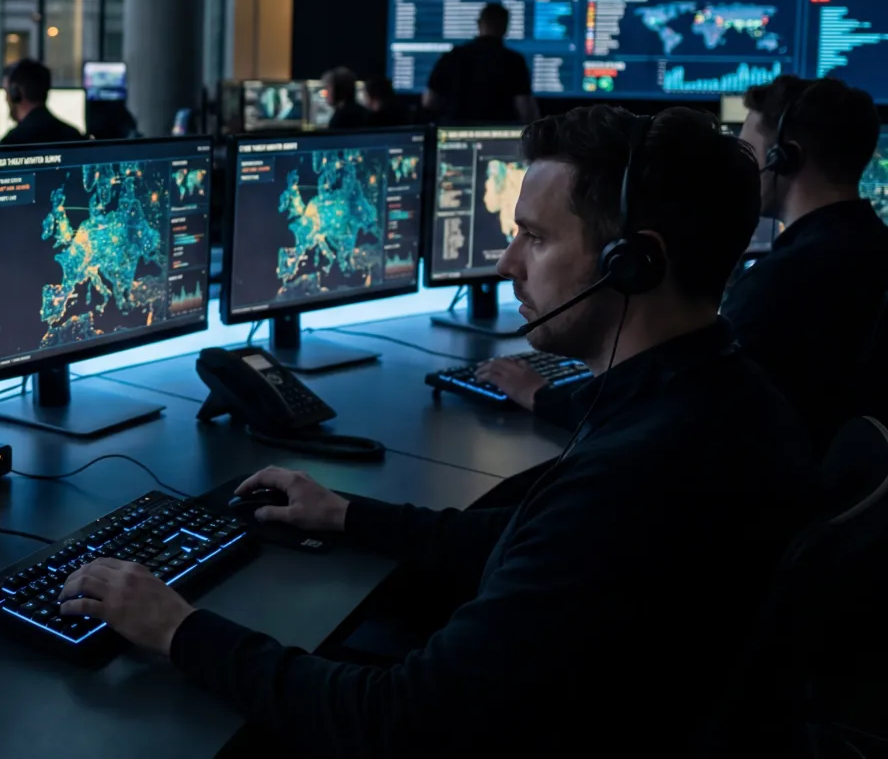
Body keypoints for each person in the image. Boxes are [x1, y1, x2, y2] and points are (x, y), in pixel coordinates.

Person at [56, 106, 813, 757]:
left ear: (632, 263)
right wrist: (349, 513)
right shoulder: (716, 398)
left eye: (536, 238)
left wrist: (178, 627)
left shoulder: (639, 477)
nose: (509, 261)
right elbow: (530, 543)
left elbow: (397, 723)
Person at [494, 76, 888, 451]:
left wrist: (546, 398)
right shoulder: (872, 245)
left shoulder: (786, 280)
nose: (508, 264)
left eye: (536, 236)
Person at [422, 1, 537, 124]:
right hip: (499, 135)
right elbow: (525, 108)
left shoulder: (451, 56)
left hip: (453, 133)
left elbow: (429, 101)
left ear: (478, 24)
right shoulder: (514, 61)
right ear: (505, 27)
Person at [0, 59, 84, 146]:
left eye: (6, 91)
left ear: (15, 93)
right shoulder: (74, 136)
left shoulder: (11, 143)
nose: (6, 98)